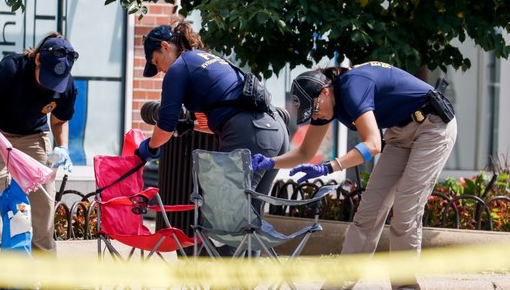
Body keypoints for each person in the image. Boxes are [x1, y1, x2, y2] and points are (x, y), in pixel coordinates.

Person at [252, 61, 457, 289]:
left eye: (316, 108)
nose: (316, 115)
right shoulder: (326, 102)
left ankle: (405, 286)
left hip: (432, 126)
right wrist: (270, 163)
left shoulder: (352, 88)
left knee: (406, 209)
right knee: (368, 212)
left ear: (326, 90)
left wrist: (330, 167)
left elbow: (372, 145)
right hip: (399, 134)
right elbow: (304, 152)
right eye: (311, 113)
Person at [137, 18, 289, 255]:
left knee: (227, 215)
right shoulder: (206, 59)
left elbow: (165, 126)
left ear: (166, 46)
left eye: (157, 63)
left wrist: (147, 149)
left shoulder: (178, 68)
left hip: (251, 134)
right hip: (275, 132)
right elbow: (218, 117)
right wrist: (191, 126)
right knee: (250, 217)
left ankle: (221, 277)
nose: (160, 71)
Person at [0, 32, 79, 254]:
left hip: (32, 135)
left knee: (44, 196)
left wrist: (62, 147)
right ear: (37, 59)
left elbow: (59, 120)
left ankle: (42, 264)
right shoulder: (11, 69)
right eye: (45, 77)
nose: (49, 86)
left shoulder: (66, 85)